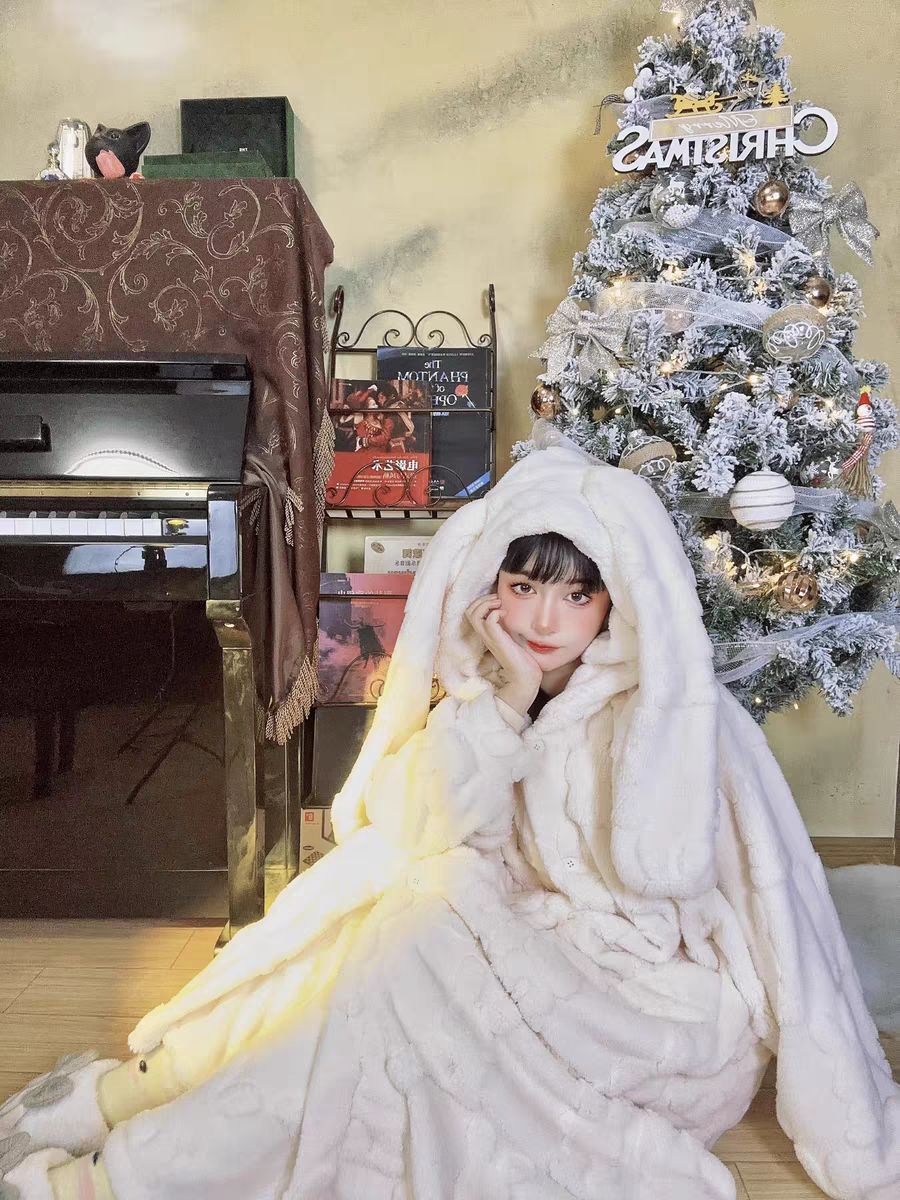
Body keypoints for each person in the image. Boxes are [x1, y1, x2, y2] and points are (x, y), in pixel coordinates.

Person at [2, 434, 898, 1200]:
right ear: (488, 585)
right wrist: (506, 701)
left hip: (654, 1008)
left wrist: (852, 1132)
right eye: (523, 585)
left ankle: (123, 1163)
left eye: (576, 596)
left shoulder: (691, 721)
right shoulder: (483, 691)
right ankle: (142, 1108)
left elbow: (788, 922)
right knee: (388, 923)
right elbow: (410, 829)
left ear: (616, 600)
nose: (543, 618)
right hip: (528, 950)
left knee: (407, 946)